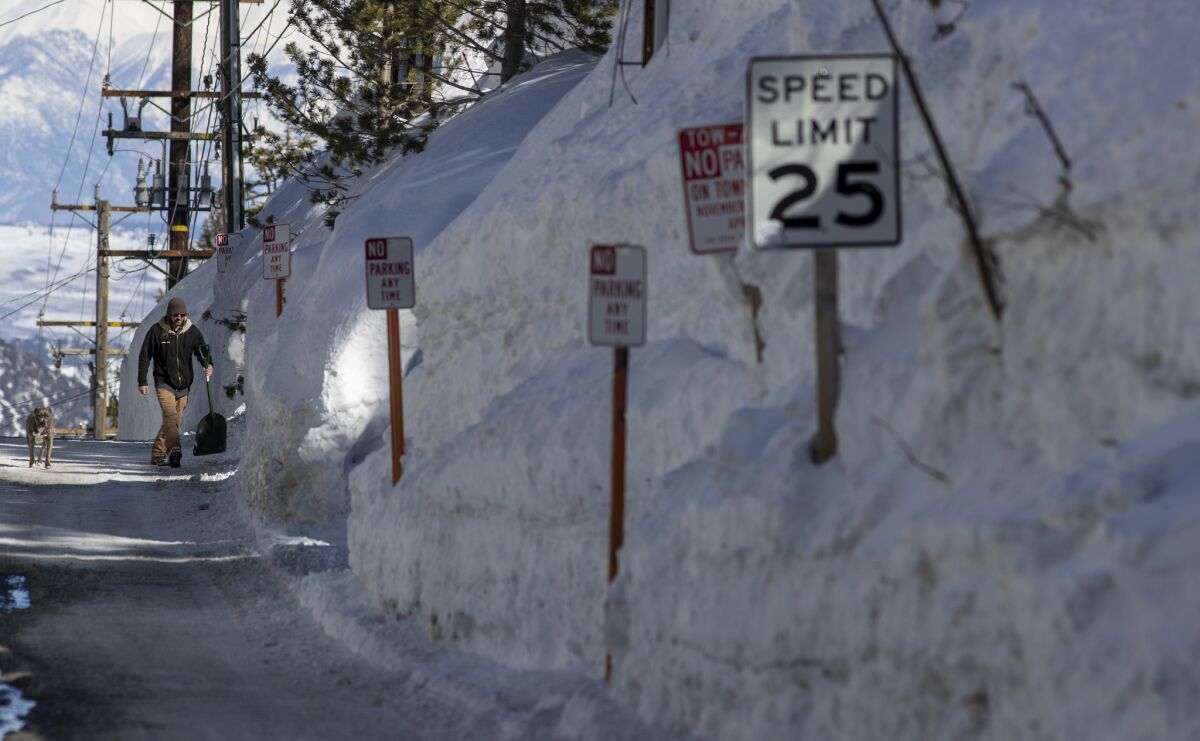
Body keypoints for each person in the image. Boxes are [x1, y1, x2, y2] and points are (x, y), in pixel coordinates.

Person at [137, 297, 213, 467]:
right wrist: (142, 380)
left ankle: (158, 453)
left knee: (174, 421)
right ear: (169, 315)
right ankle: (175, 450)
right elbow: (144, 356)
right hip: (164, 382)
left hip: (184, 385)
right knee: (170, 416)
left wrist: (208, 364)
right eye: (175, 315)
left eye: (182, 314)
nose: (179, 318)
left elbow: (202, 350)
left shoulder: (191, 331)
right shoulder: (157, 331)